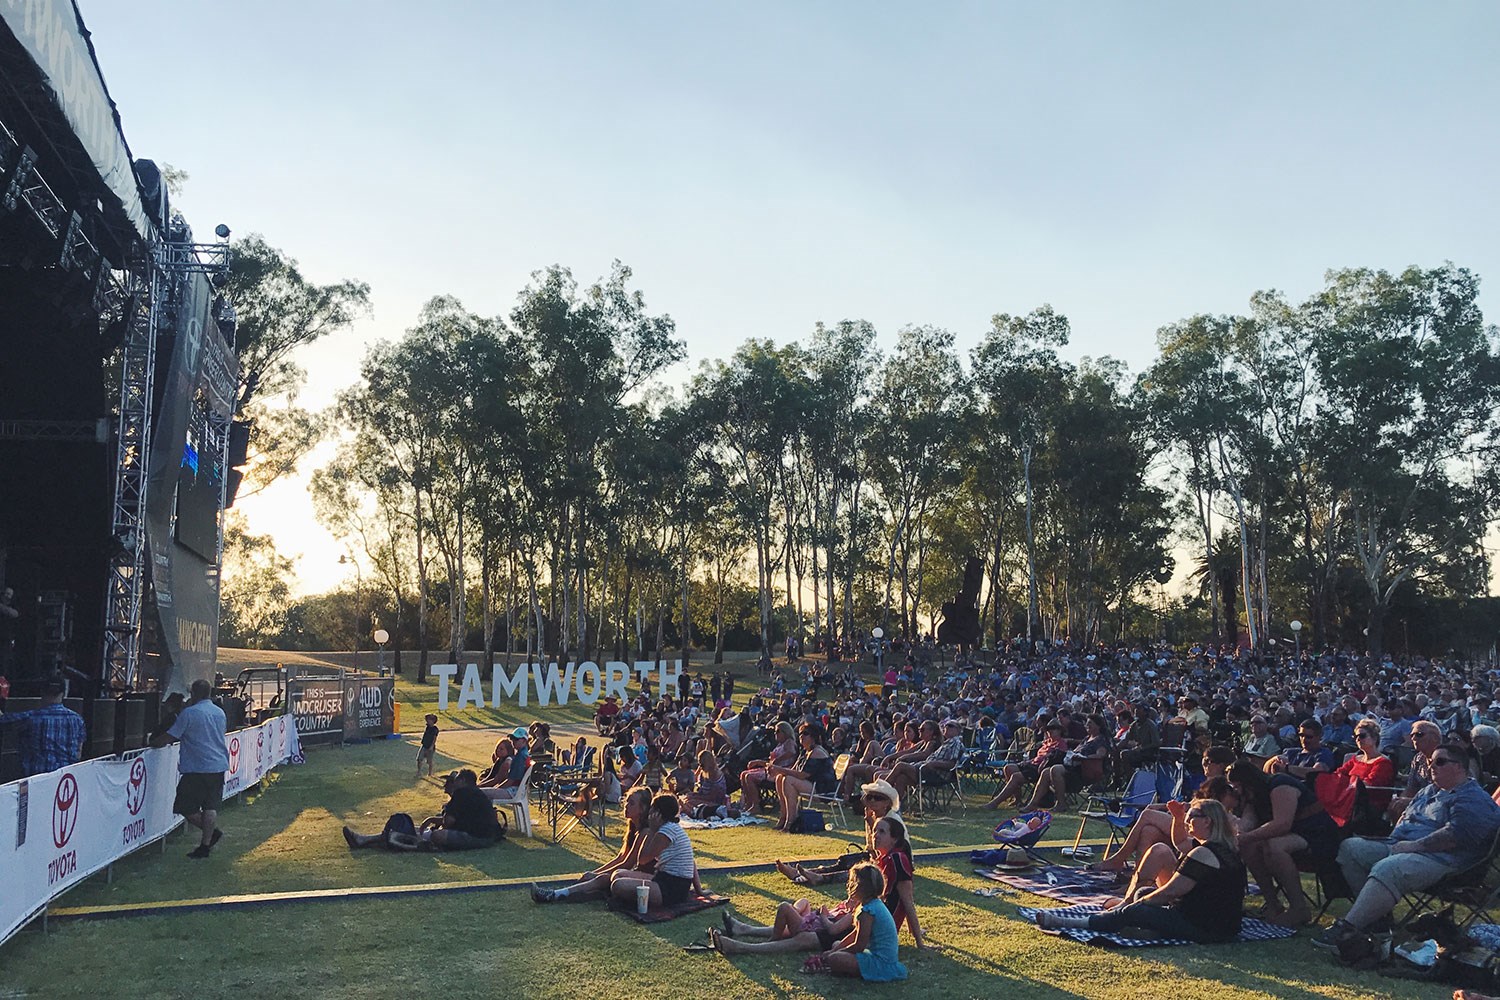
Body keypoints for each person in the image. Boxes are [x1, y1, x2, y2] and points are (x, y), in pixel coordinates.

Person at [1314, 742, 1500, 950]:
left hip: (1445, 861)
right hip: (1402, 845)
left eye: (1440, 762)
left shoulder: (1472, 798)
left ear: (1459, 767)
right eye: (1431, 762)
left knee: (1389, 868)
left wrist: (1413, 846)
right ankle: (1378, 922)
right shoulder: (1428, 791)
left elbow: (1456, 836)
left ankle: (1348, 928)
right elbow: (1404, 822)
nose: (1432, 767)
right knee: (1351, 849)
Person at [1036, 799, 1246, 943]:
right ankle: (1145, 929)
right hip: (1220, 923)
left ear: (1207, 821)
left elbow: (1170, 892)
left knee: (1136, 908)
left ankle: (1074, 922)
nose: (1188, 822)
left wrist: (1133, 907)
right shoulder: (1224, 848)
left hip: (1207, 928)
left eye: (1191, 817)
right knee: (1142, 894)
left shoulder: (1203, 854)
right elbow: (1180, 841)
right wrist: (1178, 818)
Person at [1230, 760, 1339, 926]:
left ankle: (1299, 909)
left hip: (1318, 834)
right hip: (1294, 835)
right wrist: (1234, 834)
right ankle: (1273, 905)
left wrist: (1246, 836)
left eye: (1237, 786)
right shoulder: (1253, 797)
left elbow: (1282, 824)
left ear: (1248, 782)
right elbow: (1248, 822)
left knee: (1274, 846)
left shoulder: (1280, 785)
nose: (1236, 791)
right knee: (1248, 846)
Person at [150, 678, 229, 859]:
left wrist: (155, 743)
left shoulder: (189, 713)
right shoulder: (219, 713)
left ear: (193, 694)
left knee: (185, 806)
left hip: (197, 767)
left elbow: (172, 735)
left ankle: (210, 836)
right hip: (218, 765)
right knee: (210, 806)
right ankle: (205, 844)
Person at [532, 788, 655, 902]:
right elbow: (620, 857)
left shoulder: (645, 832)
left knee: (601, 879)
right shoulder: (633, 828)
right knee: (599, 878)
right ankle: (559, 893)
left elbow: (628, 863)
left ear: (642, 809)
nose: (626, 806)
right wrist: (594, 873)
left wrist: (595, 875)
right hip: (633, 874)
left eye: (632, 803)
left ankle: (556, 894)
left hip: (649, 878)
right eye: (626, 801)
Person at [776, 778, 901, 886]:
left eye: (878, 798)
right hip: (875, 856)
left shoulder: (891, 821)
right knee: (843, 862)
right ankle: (800, 873)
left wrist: (874, 857)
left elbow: (892, 849)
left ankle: (818, 878)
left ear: (887, 803)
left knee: (857, 872)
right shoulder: (872, 815)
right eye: (870, 797)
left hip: (892, 862)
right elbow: (871, 846)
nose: (872, 801)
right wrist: (869, 822)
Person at [344, 769, 503, 850]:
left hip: (479, 838)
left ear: (461, 781)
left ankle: (374, 841)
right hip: (484, 836)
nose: (446, 786)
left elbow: (449, 823)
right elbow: (464, 821)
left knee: (436, 835)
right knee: (419, 830)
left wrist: (444, 812)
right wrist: (432, 820)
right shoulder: (475, 794)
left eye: (451, 782)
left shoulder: (462, 793)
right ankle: (365, 839)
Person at [810, 862, 908, 981]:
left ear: (860, 887)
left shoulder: (868, 912)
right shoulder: (872, 904)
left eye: (852, 882)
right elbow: (855, 934)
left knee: (834, 959)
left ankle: (845, 969)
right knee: (836, 944)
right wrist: (835, 949)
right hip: (876, 956)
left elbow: (859, 946)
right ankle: (843, 964)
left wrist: (833, 954)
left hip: (880, 964)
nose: (849, 886)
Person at [609, 793, 700, 909]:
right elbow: (691, 861)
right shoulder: (671, 828)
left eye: (652, 809)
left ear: (658, 813)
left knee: (618, 885)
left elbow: (642, 860)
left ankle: (631, 902)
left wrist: (651, 830)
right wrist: (699, 890)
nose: (649, 812)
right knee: (618, 874)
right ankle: (627, 900)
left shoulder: (666, 831)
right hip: (663, 878)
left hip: (671, 886)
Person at [0, 672, 85, 777]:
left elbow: (2, 720)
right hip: (66, 781)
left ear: (42, 692)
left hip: (37, 781)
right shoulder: (77, 720)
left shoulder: (30, 718)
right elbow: (78, 754)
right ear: (64, 693)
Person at [1316, 717, 1397, 828]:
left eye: (1362, 736)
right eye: (1356, 737)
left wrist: (1345, 784)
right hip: (1348, 799)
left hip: (1368, 806)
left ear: (1374, 738)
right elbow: (1337, 774)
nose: (1358, 739)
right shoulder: (1355, 759)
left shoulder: (1383, 762)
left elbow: (1368, 785)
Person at [1021, 713, 1110, 812]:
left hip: (1085, 770)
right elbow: (1076, 751)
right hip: (1073, 767)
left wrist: (1084, 757)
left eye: (1090, 723)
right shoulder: (1086, 739)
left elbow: (1100, 755)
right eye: (1087, 723)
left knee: (1055, 769)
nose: (1087, 725)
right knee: (1046, 771)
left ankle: (1061, 803)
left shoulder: (1100, 740)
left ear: (1098, 726)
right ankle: (1033, 803)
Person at [773, 724, 837, 832]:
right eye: (800, 733)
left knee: (788, 779)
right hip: (812, 785)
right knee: (780, 778)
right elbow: (793, 770)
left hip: (823, 789)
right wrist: (778, 770)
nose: (802, 736)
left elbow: (802, 775)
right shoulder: (805, 752)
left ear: (813, 737)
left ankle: (791, 820)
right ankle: (784, 816)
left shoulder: (817, 752)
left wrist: (779, 769)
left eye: (805, 734)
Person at [739, 721, 797, 812]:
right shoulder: (779, 744)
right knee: (743, 774)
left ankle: (756, 804)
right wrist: (758, 762)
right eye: (775, 731)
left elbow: (791, 752)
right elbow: (770, 762)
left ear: (785, 732)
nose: (775, 734)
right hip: (771, 769)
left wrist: (777, 760)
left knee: (749, 777)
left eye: (778, 731)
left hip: (780, 772)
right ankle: (749, 802)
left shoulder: (789, 742)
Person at [417, 713, 439, 778]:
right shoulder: (428, 727)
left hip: (430, 747)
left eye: (429, 720)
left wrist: (431, 746)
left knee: (429, 761)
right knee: (419, 759)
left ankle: (430, 773)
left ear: (433, 721)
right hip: (424, 745)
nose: (427, 721)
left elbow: (434, 738)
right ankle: (419, 772)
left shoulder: (435, 729)